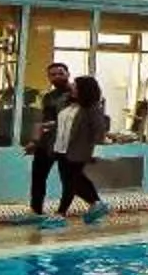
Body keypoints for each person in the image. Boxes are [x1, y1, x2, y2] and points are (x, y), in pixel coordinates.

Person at [43, 75, 109, 227]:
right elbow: (65, 125)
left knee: (70, 183)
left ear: (83, 89)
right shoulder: (70, 105)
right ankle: (96, 204)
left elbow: (99, 131)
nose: (71, 87)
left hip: (77, 151)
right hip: (60, 149)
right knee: (76, 181)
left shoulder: (92, 108)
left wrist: (90, 146)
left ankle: (60, 214)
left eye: (75, 85)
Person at [24, 61, 73, 218]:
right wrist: (35, 141)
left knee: (68, 178)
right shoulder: (48, 97)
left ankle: (62, 212)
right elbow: (41, 120)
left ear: (67, 74)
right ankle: (36, 210)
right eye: (53, 75)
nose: (57, 77)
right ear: (48, 78)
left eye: (60, 73)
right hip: (47, 143)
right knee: (38, 177)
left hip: (68, 144)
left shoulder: (76, 94)